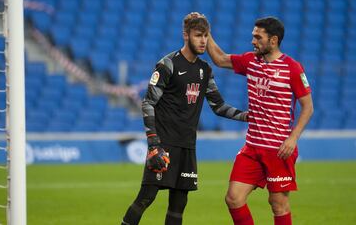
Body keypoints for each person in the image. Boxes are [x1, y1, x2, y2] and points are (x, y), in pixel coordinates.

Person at [121, 12, 248, 225]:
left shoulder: (205, 70)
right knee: (146, 198)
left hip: (187, 146)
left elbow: (218, 106)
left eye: (206, 36)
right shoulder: (167, 64)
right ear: (185, 35)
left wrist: (247, 116)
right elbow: (148, 103)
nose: (203, 41)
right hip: (164, 145)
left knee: (179, 206)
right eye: (198, 35)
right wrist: (153, 144)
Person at [206, 16, 314, 225]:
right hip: (252, 147)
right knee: (233, 198)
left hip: (279, 149)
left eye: (258, 37)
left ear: (273, 40)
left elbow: (308, 107)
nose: (253, 41)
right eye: (253, 36)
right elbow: (220, 59)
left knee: (277, 204)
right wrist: (206, 31)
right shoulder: (250, 61)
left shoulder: (292, 68)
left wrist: (293, 139)